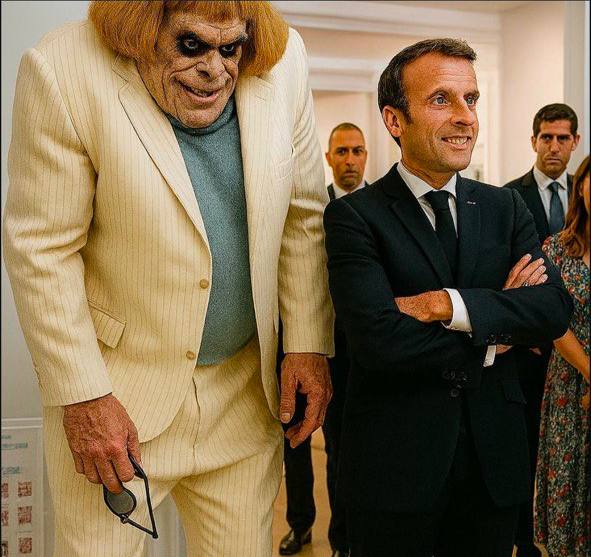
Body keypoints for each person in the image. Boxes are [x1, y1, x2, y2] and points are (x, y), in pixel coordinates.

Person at [2, 2, 334, 556]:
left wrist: (306, 344)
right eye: (191, 45)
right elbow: (42, 248)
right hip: (118, 399)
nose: (215, 70)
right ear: (142, 29)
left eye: (230, 48)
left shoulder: (287, 61)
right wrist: (84, 397)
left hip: (243, 398)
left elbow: (303, 216)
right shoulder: (61, 68)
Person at [323, 38, 573, 557]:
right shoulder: (355, 216)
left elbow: (551, 310)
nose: (465, 117)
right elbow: (377, 341)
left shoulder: (505, 208)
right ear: (395, 120)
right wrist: (496, 331)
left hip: (492, 466)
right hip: (396, 470)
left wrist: (446, 304)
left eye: (471, 99)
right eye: (442, 99)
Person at [279, 123, 367, 557]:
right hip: (302, 341)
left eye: (357, 151)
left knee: (342, 447)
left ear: (366, 156)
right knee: (296, 439)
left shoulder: (376, 208)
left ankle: (342, 539)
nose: (350, 160)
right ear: (329, 158)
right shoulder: (310, 208)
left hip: (352, 350)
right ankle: (300, 525)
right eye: (342, 152)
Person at [504, 103, 580, 557]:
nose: (553, 146)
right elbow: (505, 275)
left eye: (562, 138)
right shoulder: (508, 198)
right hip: (528, 356)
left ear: (575, 143)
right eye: (546, 137)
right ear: (533, 140)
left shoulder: (584, 193)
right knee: (525, 452)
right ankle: (525, 541)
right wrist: (525, 332)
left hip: (577, 360)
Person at [535, 155, 590, 557]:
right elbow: (552, 323)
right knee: (569, 480)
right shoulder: (555, 249)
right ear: (581, 187)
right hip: (569, 385)